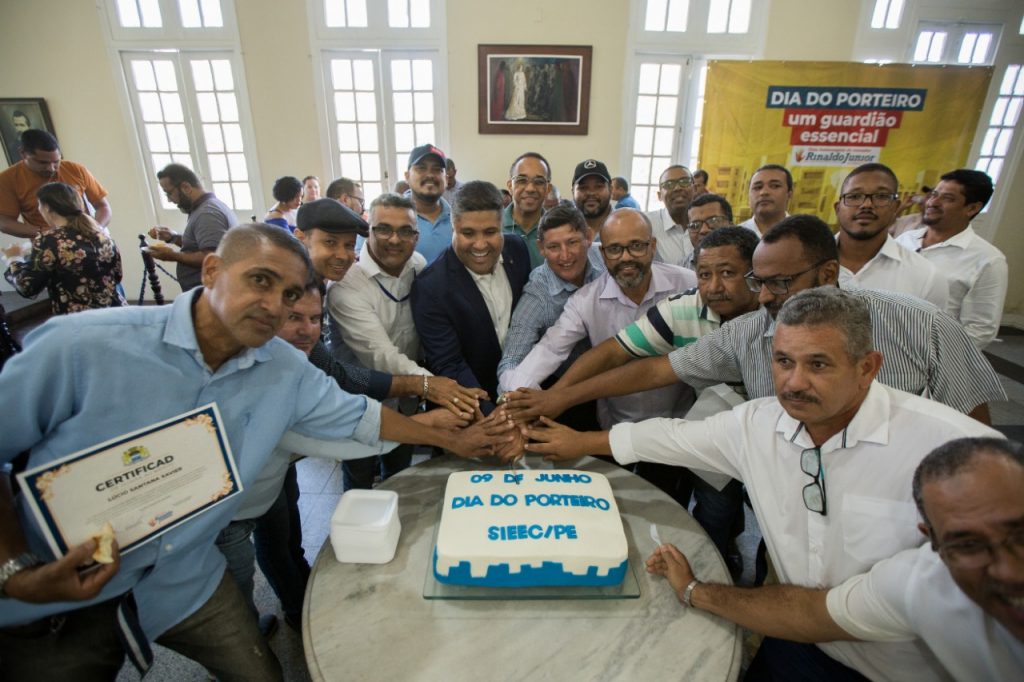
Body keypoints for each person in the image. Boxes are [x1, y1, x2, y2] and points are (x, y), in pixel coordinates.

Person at [0, 223, 505, 680]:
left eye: (290, 294)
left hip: (186, 578)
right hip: (52, 592)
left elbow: (359, 416)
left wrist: (450, 438)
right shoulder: (83, 347)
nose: (274, 305)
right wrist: (14, 572)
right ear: (212, 270)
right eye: (260, 280)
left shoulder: (284, 367)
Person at [527, 287, 1003, 682]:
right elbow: (668, 438)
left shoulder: (957, 453)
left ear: (867, 367)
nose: (793, 383)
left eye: (818, 364)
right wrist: (578, 442)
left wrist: (696, 591)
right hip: (790, 644)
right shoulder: (757, 424)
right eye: (783, 361)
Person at [506, 215, 1005, 425]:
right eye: (759, 283)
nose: (763, 297)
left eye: (778, 283)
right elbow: (652, 367)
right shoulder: (749, 329)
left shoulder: (921, 324)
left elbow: (973, 425)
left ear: (827, 274)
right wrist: (556, 399)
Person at [645, 436, 1024, 682]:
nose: (1008, 570)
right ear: (933, 542)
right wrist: (692, 588)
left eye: (1021, 534)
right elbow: (810, 613)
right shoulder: (916, 583)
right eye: (967, 545)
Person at [328, 193, 486, 489]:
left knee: (400, 471)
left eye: (405, 231)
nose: (394, 239)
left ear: (416, 236)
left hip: (407, 398)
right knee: (359, 472)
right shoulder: (345, 286)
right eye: (384, 229)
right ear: (368, 231)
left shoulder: (417, 264)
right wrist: (436, 386)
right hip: (360, 398)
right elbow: (380, 355)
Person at [412, 181, 531, 416]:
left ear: (502, 226)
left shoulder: (517, 249)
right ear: (452, 228)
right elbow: (450, 364)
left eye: (490, 232)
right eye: (468, 233)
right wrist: (495, 418)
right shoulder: (430, 286)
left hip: (524, 399)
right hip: (468, 411)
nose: (480, 244)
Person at [497, 204, 604, 430]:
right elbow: (512, 358)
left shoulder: (607, 259)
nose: (565, 255)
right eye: (554, 247)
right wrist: (511, 401)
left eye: (572, 242)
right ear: (541, 248)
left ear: (588, 237)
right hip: (568, 394)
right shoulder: (538, 292)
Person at [897, 169, 1007, 349]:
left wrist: (935, 357)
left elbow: (981, 329)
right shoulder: (904, 240)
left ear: (972, 208)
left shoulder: (988, 260)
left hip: (929, 353)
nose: (933, 202)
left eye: (947, 198)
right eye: (934, 194)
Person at [834, 163, 948, 309]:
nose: (867, 205)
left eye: (881, 196)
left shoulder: (927, 277)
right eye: (855, 196)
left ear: (896, 207)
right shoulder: (810, 262)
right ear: (837, 208)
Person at [3, 182, 125, 315]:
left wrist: (13, 259)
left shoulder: (49, 240)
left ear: (47, 207)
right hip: (115, 314)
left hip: (79, 319)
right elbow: (117, 276)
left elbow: (27, 287)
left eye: (39, 205)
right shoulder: (102, 235)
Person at [0, 129, 112, 238]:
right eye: (42, 163)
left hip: (88, 237)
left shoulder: (76, 169)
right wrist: (47, 234)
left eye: (56, 161)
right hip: (47, 242)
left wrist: (95, 229)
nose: (51, 168)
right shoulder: (7, 179)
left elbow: (103, 206)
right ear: (23, 154)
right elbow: (4, 222)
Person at [146, 163, 236, 292]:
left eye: (169, 193)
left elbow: (211, 256)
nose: (169, 200)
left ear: (186, 187)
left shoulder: (207, 213)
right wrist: (173, 237)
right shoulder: (202, 209)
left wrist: (173, 255)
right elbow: (198, 246)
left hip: (210, 292)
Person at [404, 144, 453, 263]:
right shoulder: (390, 217)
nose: (430, 175)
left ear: (446, 179)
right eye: (421, 168)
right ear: (407, 176)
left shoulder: (458, 219)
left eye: (437, 169)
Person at [503, 151, 551, 269]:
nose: (530, 188)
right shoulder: (493, 227)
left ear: (548, 189)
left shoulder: (556, 229)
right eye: (522, 180)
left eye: (539, 182)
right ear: (510, 186)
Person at [645, 165, 696, 267]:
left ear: (694, 189)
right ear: (659, 195)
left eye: (684, 182)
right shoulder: (647, 224)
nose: (677, 188)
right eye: (669, 184)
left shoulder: (707, 224)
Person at [680, 193, 734, 269]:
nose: (703, 230)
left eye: (713, 221)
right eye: (695, 225)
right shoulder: (681, 268)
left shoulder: (748, 261)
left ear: (731, 226)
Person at [741, 164, 792, 236]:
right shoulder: (735, 236)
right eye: (758, 187)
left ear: (789, 194)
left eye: (775, 186)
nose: (764, 192)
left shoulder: (804, 233)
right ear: (748, 196)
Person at [572, 159, 614, 235]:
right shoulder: (562, 228)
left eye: (599, 186)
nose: (591, 193)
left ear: (610, 190)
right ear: (573, 192)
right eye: (583, 187)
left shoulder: (626, 225)